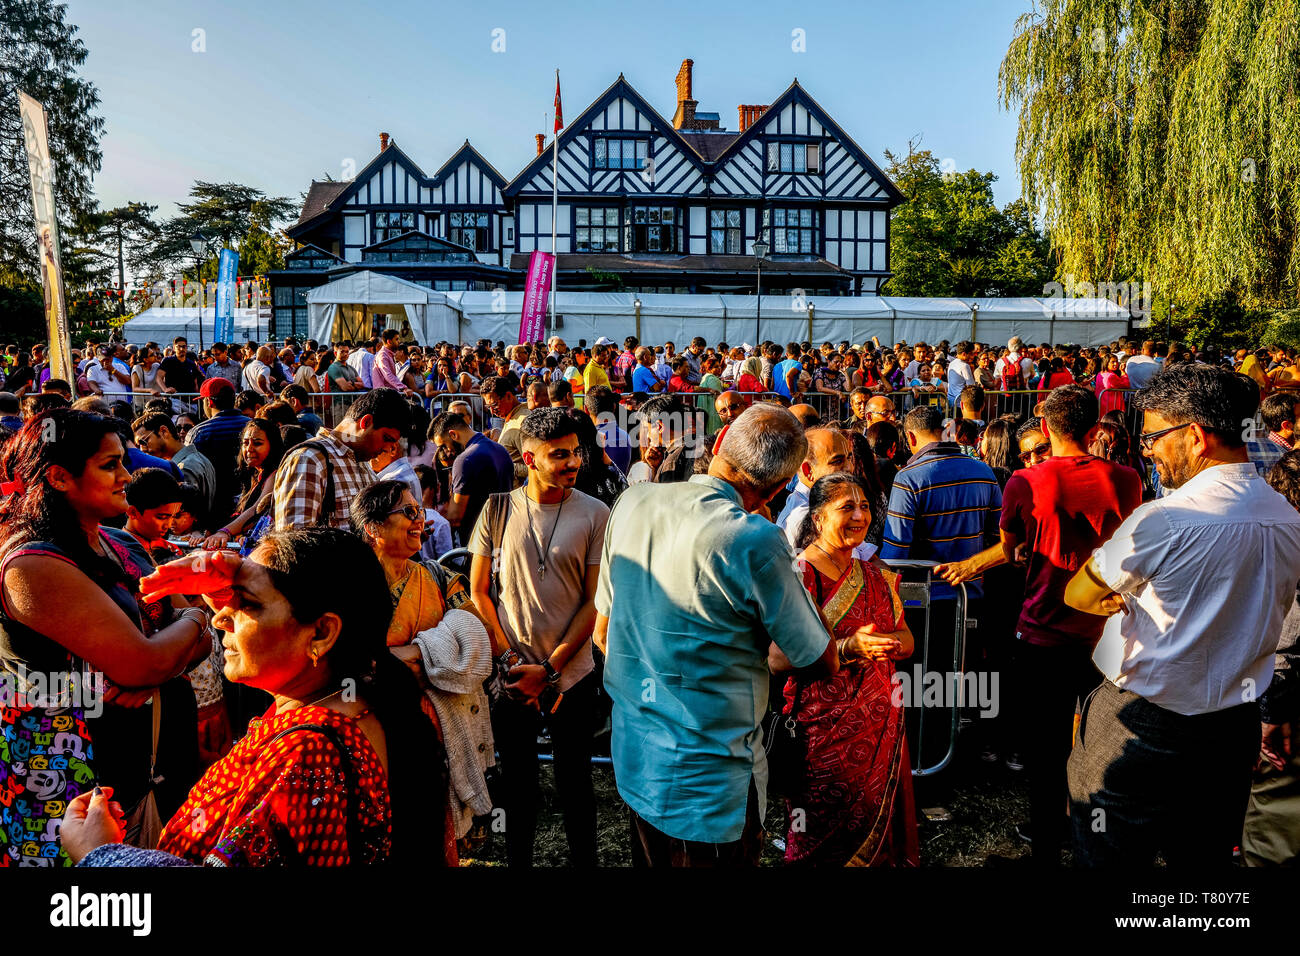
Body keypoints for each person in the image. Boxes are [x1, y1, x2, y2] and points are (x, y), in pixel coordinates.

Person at [62, 528, 447, 866]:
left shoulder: (310, 756)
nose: (218, 617)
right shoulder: (354, 706)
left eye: (246, 605)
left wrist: (102, 856)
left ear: (321, 634)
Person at [1064, 364, 1300, 866]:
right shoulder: (1287, 516)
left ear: (1194, 436)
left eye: (1153, 436)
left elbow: (1079, 593)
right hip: (1232, 725)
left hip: (1144, 721)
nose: (1146, 447)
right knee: (1205, 855)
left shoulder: (1165, 519)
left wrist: (1117, 598)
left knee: (1107, 850)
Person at [595, 404, 837, 866]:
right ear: (777, 488)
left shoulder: (634, 501)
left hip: (639, 760)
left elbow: (603, 630)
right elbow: (819, 658)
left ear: (720, 444)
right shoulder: (756, 538)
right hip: (711, 784)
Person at [0, 410, 214, 866]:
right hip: (69, 785)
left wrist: (178, 638)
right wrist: (194, 621)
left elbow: (185, 650)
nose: (126, 476)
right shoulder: (31, 566)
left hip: (147, 768)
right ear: (59, 477)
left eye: (122, 461)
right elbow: (147, 660)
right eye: (109, 465)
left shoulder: (123, 544)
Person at [996, 385, 1142, 866]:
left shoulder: (1024, 481)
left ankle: (1046, 853)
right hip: (1109, 635)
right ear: (1097, 429)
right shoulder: (1127, 480)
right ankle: (1092, 844)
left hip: (1042, 633)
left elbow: (1011, 545)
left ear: (1044, 429)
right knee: (1103, 750)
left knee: (1046, 754)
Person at [466, 409, 609, 866]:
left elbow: (594, 602)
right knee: (518, 785)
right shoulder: (497, 507)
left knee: (575, 785)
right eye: (560, 454)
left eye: (576, 452)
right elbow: (478, 591)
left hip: (572, 675)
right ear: (529, 457)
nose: (573, 462)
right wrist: (511, 662)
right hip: (511, 677)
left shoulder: (595, 513)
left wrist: (550, 671)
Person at [784, 473, 918, 865]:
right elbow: (777, 657)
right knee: (819, 834)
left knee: (879, 827)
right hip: (822, 731)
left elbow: (908, 640)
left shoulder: (876, 574)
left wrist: (890, 644)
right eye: (847, 507)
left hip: (879, 723)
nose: (860, 515)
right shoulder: (800, 574)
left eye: (864, 506)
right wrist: (847, 648)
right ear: (819, 517)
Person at [882, 403, 1002, 769]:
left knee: (924, 683)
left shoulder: (909, 477)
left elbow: (895, 553)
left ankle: (926, 759)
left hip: (926, 603)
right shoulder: (983, 472)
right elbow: (1000, 538)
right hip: (973, 596)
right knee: (961, 677)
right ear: (946, 430)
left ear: (910, 437)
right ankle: (960, 752)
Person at [272, 388, 410, 531]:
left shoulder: (364, 463)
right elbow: (294, 540)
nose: (387, 449)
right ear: (366, 422)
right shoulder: (309, 459)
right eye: (386, 439)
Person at [429, 410, 513, 545]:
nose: (445, 451)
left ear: (453, 434)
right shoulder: (500, 449)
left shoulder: (464, 460)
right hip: (504, 532)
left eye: (443, 445)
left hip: (479, 540)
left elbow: (455, 517)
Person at [132, 412, 217, 530]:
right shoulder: (197, 458)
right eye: (138, 445)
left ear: (163, 431)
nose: (142, 449)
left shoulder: (183, 467)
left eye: (143, 441)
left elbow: (184, 516)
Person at [480, 375, 529, 484]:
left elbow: (535, 468)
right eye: (489, 407)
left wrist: (503, 464)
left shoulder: (522, 422)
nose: (492, 412)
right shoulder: (512, 417)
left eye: (494, 405)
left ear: (508, 396)